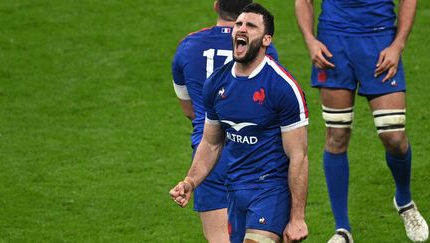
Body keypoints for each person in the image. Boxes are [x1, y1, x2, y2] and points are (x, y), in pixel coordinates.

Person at [170, 3, 309, 243]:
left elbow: (299, 155)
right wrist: (190, 181)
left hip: (269, 189)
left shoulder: (282, 87)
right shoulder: (216, 83)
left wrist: (297, 217)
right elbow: (211, 143)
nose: (242, 29)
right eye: (239, 24)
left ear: (266, 40)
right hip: (235, 189)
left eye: (251, 26)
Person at [294, 0, 428, 242]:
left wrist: (398, 45)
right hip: (334, 42)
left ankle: (404, 200)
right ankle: (342, 229)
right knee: (337, 134)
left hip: (380, 40)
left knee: (394, 136)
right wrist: (310, 40)